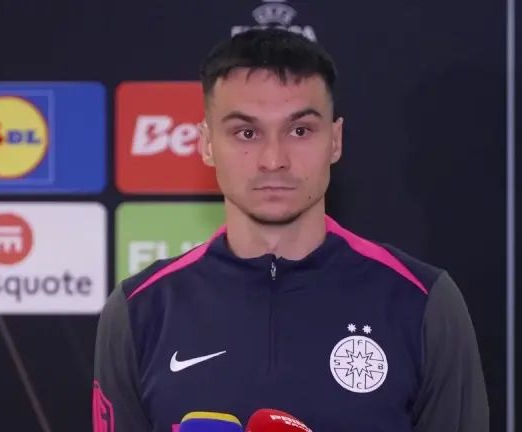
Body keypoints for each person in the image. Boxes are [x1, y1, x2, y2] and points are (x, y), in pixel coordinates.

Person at [93, 28, 489, 432]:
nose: (273, 159)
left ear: (335, 140)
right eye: (246, 133)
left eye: (300, 131)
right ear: (207, 144)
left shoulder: (421, 302)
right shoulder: (141, 311)